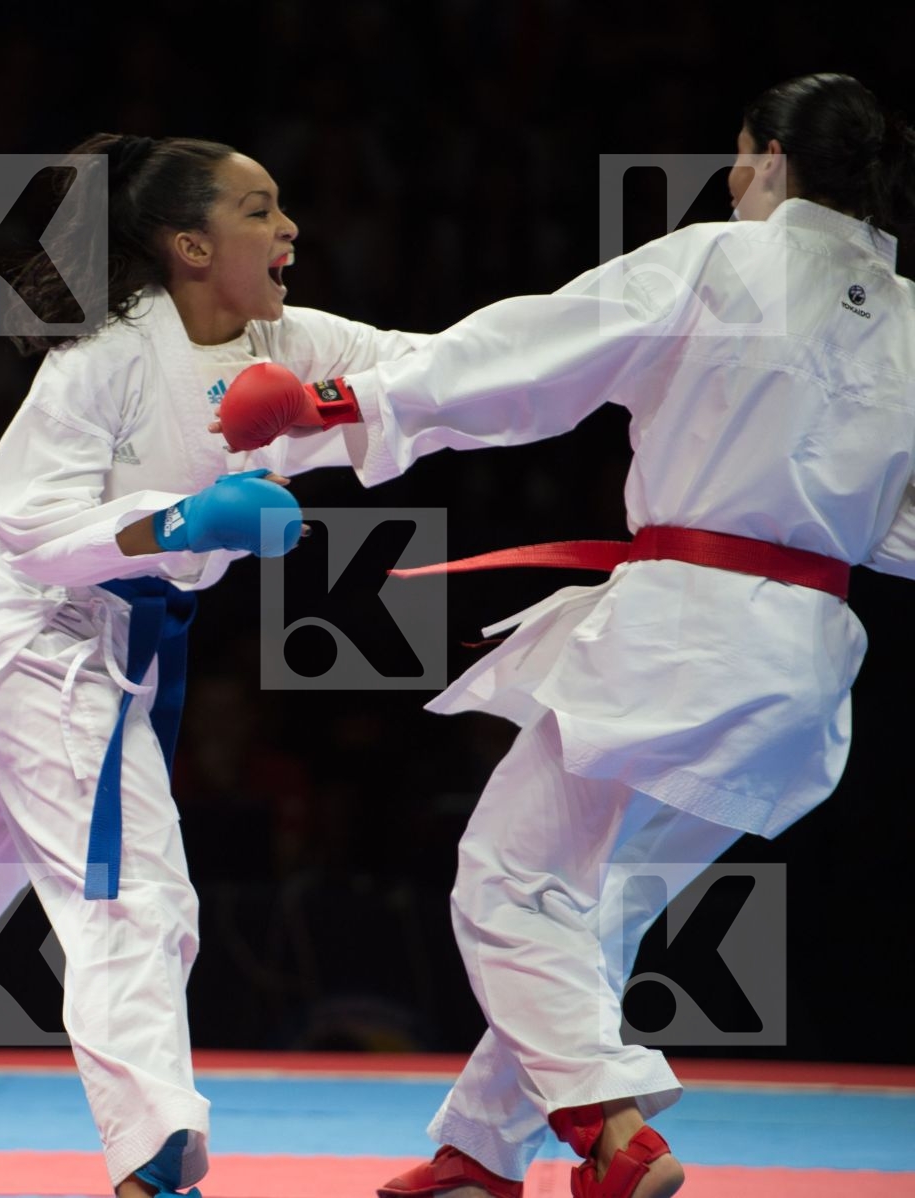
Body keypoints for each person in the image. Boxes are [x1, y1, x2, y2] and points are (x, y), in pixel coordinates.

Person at [216, 73, 915, 1198]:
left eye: (739, 159)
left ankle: (611, 1128)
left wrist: (345, 402)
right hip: (807, 662)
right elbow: (898, 528)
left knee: (506, 875)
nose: (733, 182)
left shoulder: (720, 262)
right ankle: (488, 1147)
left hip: (688, 634)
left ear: (774, 161)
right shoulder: (910, 320)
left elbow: (536, 356)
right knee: (601, 900)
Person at [0, 133, 426, 1198]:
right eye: (260, 210)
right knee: (133, 894)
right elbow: (22, 517)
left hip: (83, 656)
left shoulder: (289, 337)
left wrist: (607, 355)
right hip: (44, 642)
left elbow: (430, 372)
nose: (289, 230)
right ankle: (155, 1160)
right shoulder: (102, 356)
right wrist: (181, 517)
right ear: (191, 244)